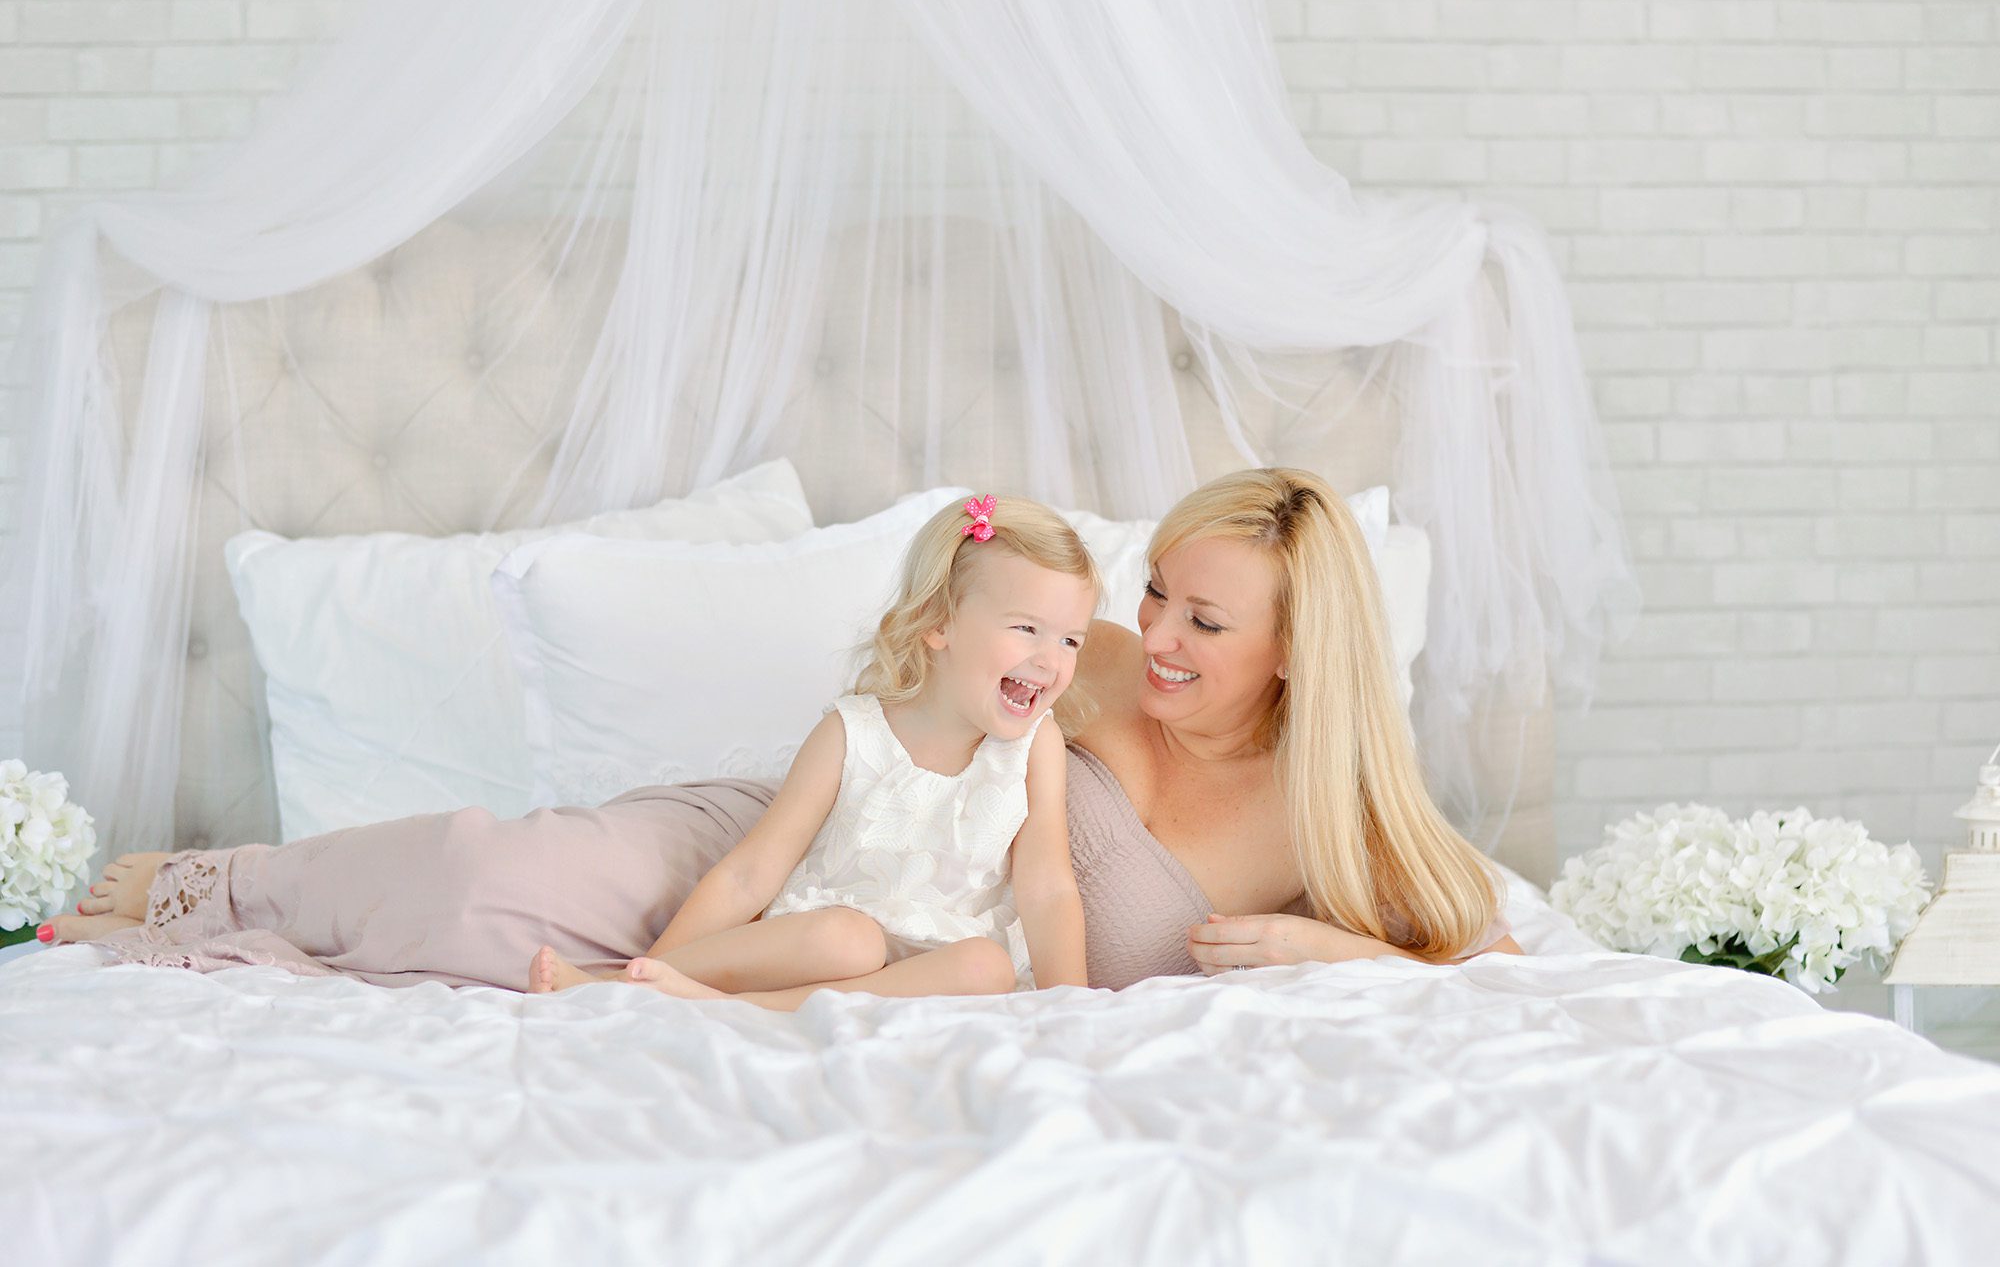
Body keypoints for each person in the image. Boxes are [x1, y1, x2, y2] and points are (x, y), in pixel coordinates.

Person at [49, 467, 1520, 990]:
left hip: (905, 951)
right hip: (799, 835)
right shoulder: (1097, 657)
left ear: (1296, 650)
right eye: (1159, 595)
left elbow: (1493, 951)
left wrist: (1342, 946)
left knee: (511, 960)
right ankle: (231, 882)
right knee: (489, 880)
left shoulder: (1331, 822)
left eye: (1211, 621)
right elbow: (946, 651)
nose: (1162, 641)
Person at [527, 493, 1098, 1008]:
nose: (1052, 660)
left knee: (987, 965)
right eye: (1026, 629)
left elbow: (1046, 887)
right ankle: (628, 989)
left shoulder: (1033, 746)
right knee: (845, 940)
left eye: (1070, 639)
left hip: (940, 972)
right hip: (827, 947)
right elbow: (750, 875)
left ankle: (723, 1009)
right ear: (938, 623)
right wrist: (652, 962)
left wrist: (1072, 1005)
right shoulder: (853, 734)